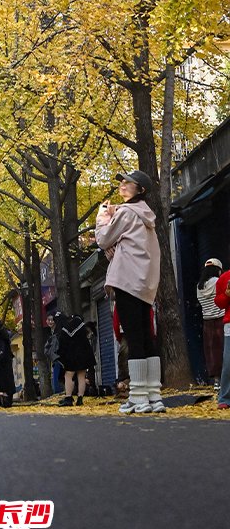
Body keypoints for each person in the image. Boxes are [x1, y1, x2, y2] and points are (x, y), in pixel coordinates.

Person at [95, 170, 163, 415]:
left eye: (128, 183)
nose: (122, 185)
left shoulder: (125, 213)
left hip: (126, 281)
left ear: (140, 190)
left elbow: (103, 239)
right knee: (146, 337)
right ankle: (154, 395)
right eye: (122, 182)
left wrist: (103, 216)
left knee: (133, 337)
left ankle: (138, 397)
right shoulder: (146, 216)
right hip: (145, 283)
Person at [54, 312, 95, 406]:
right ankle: (80, 399)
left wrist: (61, 356)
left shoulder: (65, 328)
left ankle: (68, 398)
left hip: (72, 356)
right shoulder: (81, 326)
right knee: (81, 376)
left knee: (68, 376)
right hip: (84, 354)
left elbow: (63, 344)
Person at [196, 258, 224, 389]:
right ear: (218, 270)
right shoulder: (218, 282)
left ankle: (216, 381)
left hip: (207, 322)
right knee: (224, 349)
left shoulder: (199, 286)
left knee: (211, 351)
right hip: (221, 319)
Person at [214, 265, 230, 409]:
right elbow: (219, 302)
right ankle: (224, 397)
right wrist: (226, 294)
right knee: (228, 362)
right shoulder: (224, 278)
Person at [44, 314, 64, 394]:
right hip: (55, 358)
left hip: (59, 357)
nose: (50, 322)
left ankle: (59, 392)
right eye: (48, 320)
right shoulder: (49, 332)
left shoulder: (58, 332)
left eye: (52, 320)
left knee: (58, 377)